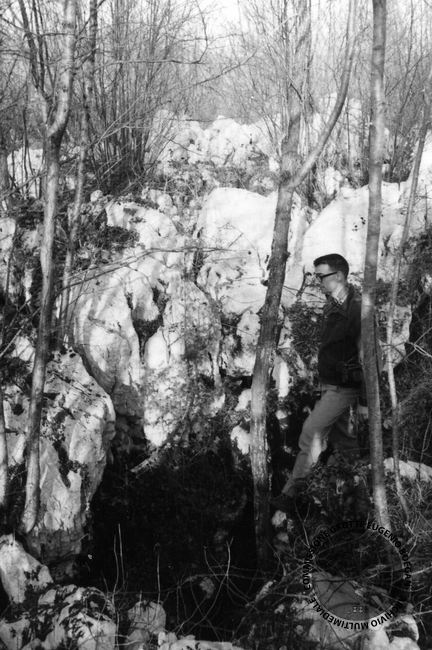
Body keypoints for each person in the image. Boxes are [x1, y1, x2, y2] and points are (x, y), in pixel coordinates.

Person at [272, 253, 366, 510]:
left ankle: (291, 494)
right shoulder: (333, 305)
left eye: (321, 276)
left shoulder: (357, 308)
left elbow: (369, 357)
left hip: (343, 388)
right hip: (330, 384)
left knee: (311, 432)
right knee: (345, 443)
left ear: (339, 276)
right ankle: (355, 499)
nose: (318, 281)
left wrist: (365, 401)